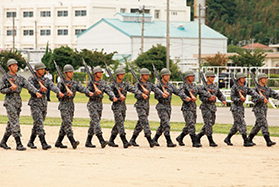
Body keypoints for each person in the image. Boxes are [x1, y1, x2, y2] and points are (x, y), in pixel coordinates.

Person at [0, 59, 42, 151]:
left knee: (12, 123)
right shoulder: (5, 78)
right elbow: (2, 90)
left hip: (18, 102)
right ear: (9, 67)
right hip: (9, 101)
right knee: (15, 122)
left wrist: (36, 92)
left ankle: (3, 141)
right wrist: (10, 88)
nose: (16, 67)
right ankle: (18, 143)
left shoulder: (20, 78)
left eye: (16, 65)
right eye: (13, 65)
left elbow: (28, 85)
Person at [55, 64, 93, 149]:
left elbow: (81, 88)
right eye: (69, 72)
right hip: (64, 105)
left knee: (65, 124)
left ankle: (58, 142)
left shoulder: (74, 83)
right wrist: (65, 94)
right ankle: (73, 141)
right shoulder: (61, 83)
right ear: (65, 73)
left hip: (71, 105)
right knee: (67, 123)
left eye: (72, 72)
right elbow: (58, 96)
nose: (71, 73)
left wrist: (88, 92)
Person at [27, 62, 64, 150]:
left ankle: (31, 141)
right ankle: (43, 142)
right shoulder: (32, 79)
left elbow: (52, 86)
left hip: (43, 103)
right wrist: (39, 89)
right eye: (41, 69)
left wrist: (58, 92)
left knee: (38, 123)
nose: (43, 70)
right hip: (35, 103)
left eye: (44, 69)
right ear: (36, 70)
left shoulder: (45, 79)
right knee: (39, 123)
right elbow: (30, 88)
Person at [129, 68, 168, 148]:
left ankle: (132, 139)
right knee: (145, 122)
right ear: (142, 75)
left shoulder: (149, 84)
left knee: (140, 123)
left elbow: (156, 89)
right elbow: (136, 94)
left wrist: (162, 93)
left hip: (147, 106)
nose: (147, 76)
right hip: (140, 105)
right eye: (146, 75)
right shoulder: (137, 84)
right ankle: (150, 140)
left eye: (148, 75)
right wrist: (142, 93)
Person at [224, 72, 265, 147]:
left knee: (237, 125)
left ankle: (227, 138)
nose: (244, 79)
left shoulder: (245, 87)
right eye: (242, 78)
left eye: (244, 78)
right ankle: (246, 141)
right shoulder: (234, 87)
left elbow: (252, 92)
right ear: (238, 79)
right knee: (242, 124)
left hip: (241, 108)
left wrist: (260, 96)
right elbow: (232, 98)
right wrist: (239, 99)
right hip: (235, 108)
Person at [176, 70, 214, 148]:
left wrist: (209, 95)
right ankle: (194, 141)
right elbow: (181, 93)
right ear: (187, 77)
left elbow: (201, 92)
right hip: (186, 108)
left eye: (193, 76)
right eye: (191, 76)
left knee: (190, 124)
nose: (193, 77)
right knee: (191, 124)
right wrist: (187, 98)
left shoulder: (194, 86)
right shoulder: (183, 86)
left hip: (193, 107)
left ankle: (180, 137)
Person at [152, 68, 187, 147]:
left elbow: (178, 92)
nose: (168, 77)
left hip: (168, 106)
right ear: (162, 76)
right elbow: (156, 97)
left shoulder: (170, 85)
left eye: (169, 75)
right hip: (161, 106)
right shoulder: (158, 86)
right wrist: (162, 95)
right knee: (166, 124)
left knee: (163, 125)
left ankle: (154, 139)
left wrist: (185, 97)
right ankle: (169, 141)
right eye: (166, 75)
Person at [108, 67, 143, 148]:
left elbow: (133, 89)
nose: (123, 75)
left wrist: (141, 93)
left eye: (123, 74)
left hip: (123, 106)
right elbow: (110, 96)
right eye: (121, 74)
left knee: (119, 123)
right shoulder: (113, 85)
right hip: (116, 106)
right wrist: (115, 98)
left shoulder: (125, 84)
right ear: (117, 75)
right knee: (120, 123)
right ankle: (124, 141)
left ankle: (111, 140)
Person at [85, 66, 117, 148]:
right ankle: (101, 139)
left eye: (101, 72)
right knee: (96, 121)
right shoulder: (91, 83)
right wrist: (94, 92)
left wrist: (113, 97)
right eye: (99, 72)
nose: (101, 74)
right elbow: (87, 93)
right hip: (92, 104)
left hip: (99, 104)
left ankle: (88, 141)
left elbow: (108, 90)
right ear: (95, 74)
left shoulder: (103, 83)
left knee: (93, 123)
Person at [247, 73, 279, 147]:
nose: (265, 80)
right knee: (264, 123)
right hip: (258, 109)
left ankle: (249, 139)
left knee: (258, 125)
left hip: (264, 109)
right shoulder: (255, 90)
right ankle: (268, 140)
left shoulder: (267, 89)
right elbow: (253, 99)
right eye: (264, 78)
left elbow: (275, 95)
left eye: (266, 78)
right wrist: (261, 99)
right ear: (260, 80)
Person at [196, 71, 226, 147]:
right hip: (205, 107)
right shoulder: (202, 87)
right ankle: (210, 140)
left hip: (213, 107)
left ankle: (199, 136)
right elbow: (201, 97)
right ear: (207, 78)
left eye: (213, 77)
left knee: (211, 123)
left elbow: (219, 94)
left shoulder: (215, 86)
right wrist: (208, 99)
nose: (212, 79)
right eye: (211, 77)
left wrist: (223, 99)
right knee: (208, 124)